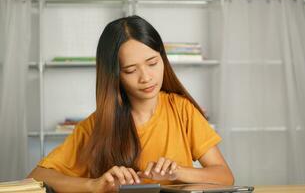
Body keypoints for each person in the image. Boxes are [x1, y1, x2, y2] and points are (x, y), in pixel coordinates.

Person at [28, 15, 234, 193]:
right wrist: (94, 185)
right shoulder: (96, 126)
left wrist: (178, 171)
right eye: (130, 70)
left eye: (152, 63)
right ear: (114, 76)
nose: (146, 77)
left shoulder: (181, 110)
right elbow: (36, 177)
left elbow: (224, 176)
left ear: (163, 59)